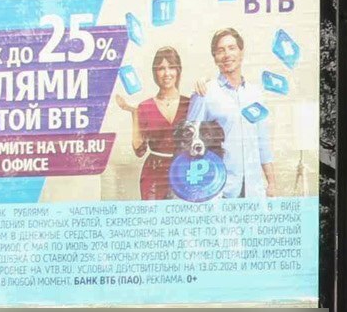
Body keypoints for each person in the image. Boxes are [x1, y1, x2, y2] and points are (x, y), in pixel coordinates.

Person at [185, 28, 291, 199]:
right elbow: (189, 139)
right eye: (220, 50)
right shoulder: (205, 93)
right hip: (219, 189)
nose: (227, 54)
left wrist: (271, 183)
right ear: (214, 58)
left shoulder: (255, 94)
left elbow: (262, 142)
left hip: (253, 189)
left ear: (241, 52)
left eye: (232, 48)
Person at [111, 46, 187, 200]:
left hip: (184, 170)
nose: (167, 73)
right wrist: (134, 113)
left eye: (171, 67)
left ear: (178, 71)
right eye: (161, 68)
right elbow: (139, 150)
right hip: (154, 174)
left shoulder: (190, 104)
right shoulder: (145, 107)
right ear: (155, 73)